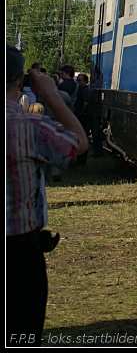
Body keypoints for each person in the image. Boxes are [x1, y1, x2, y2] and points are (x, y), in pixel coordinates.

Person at [6, 46, 88, 344]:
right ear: (21, 81)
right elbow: (78, 145)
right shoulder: (30, 126)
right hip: (17, 257)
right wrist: (51, 94)